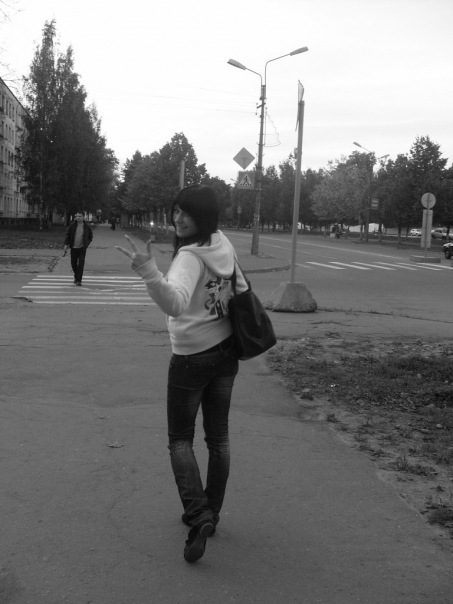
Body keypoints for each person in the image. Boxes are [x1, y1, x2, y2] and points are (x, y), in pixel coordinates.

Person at [116, 185, 248, 563]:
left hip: (192, 357)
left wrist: (149, 271)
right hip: (226, 353)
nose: (178, 218)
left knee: (180, 441)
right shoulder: (222, 243)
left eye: (186, 213)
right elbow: (239, 289)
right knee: (218, 439)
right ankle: (211, 513)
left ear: (202, 216)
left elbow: (175, 304)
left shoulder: (190, 256)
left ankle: (199, 513)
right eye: (176, 210)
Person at [64, 212, 93, 286]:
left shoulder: (87, 226)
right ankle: (76, 276)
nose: (78, 218)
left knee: (81, 264)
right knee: (73, 264)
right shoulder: (72, 226)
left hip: (82, 248)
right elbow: (68, 235)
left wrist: (86, 244)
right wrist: (66, 244)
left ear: (83, 217)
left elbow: (90, 237)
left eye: (80, 216)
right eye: (77, 216)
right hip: (73, 247)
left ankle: (79, 280)